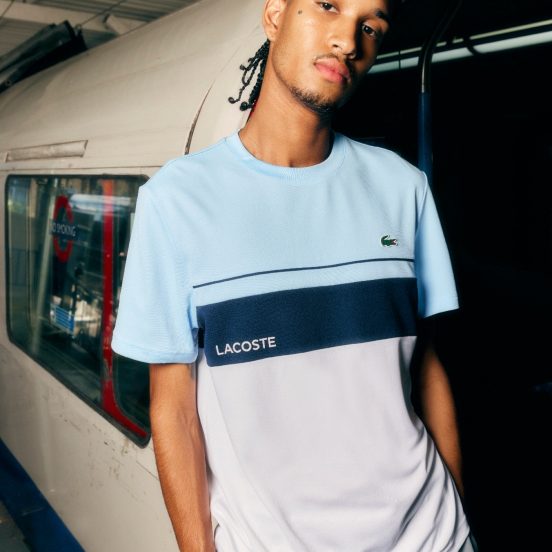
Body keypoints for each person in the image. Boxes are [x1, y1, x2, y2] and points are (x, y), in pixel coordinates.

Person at [111, 0, 479, 550]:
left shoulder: (404, 187)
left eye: (370, 27)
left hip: (431, 535)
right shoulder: (176, 201)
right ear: (275, 16)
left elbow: (426, 366)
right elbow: (174, 408)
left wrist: (457, 515)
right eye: (328, 6)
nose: (348, 41)